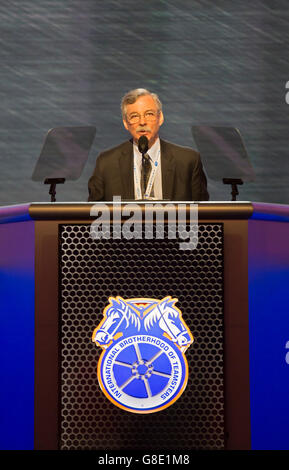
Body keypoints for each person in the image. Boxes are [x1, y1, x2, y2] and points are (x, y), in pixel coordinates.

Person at [88, 88, 209, 201]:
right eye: (134, 116)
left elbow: (204, 215)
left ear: (160, 118)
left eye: (149, 114)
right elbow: (91, 215)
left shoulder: (188, 161)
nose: (142, 122)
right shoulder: (107, 163)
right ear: (125, 123)